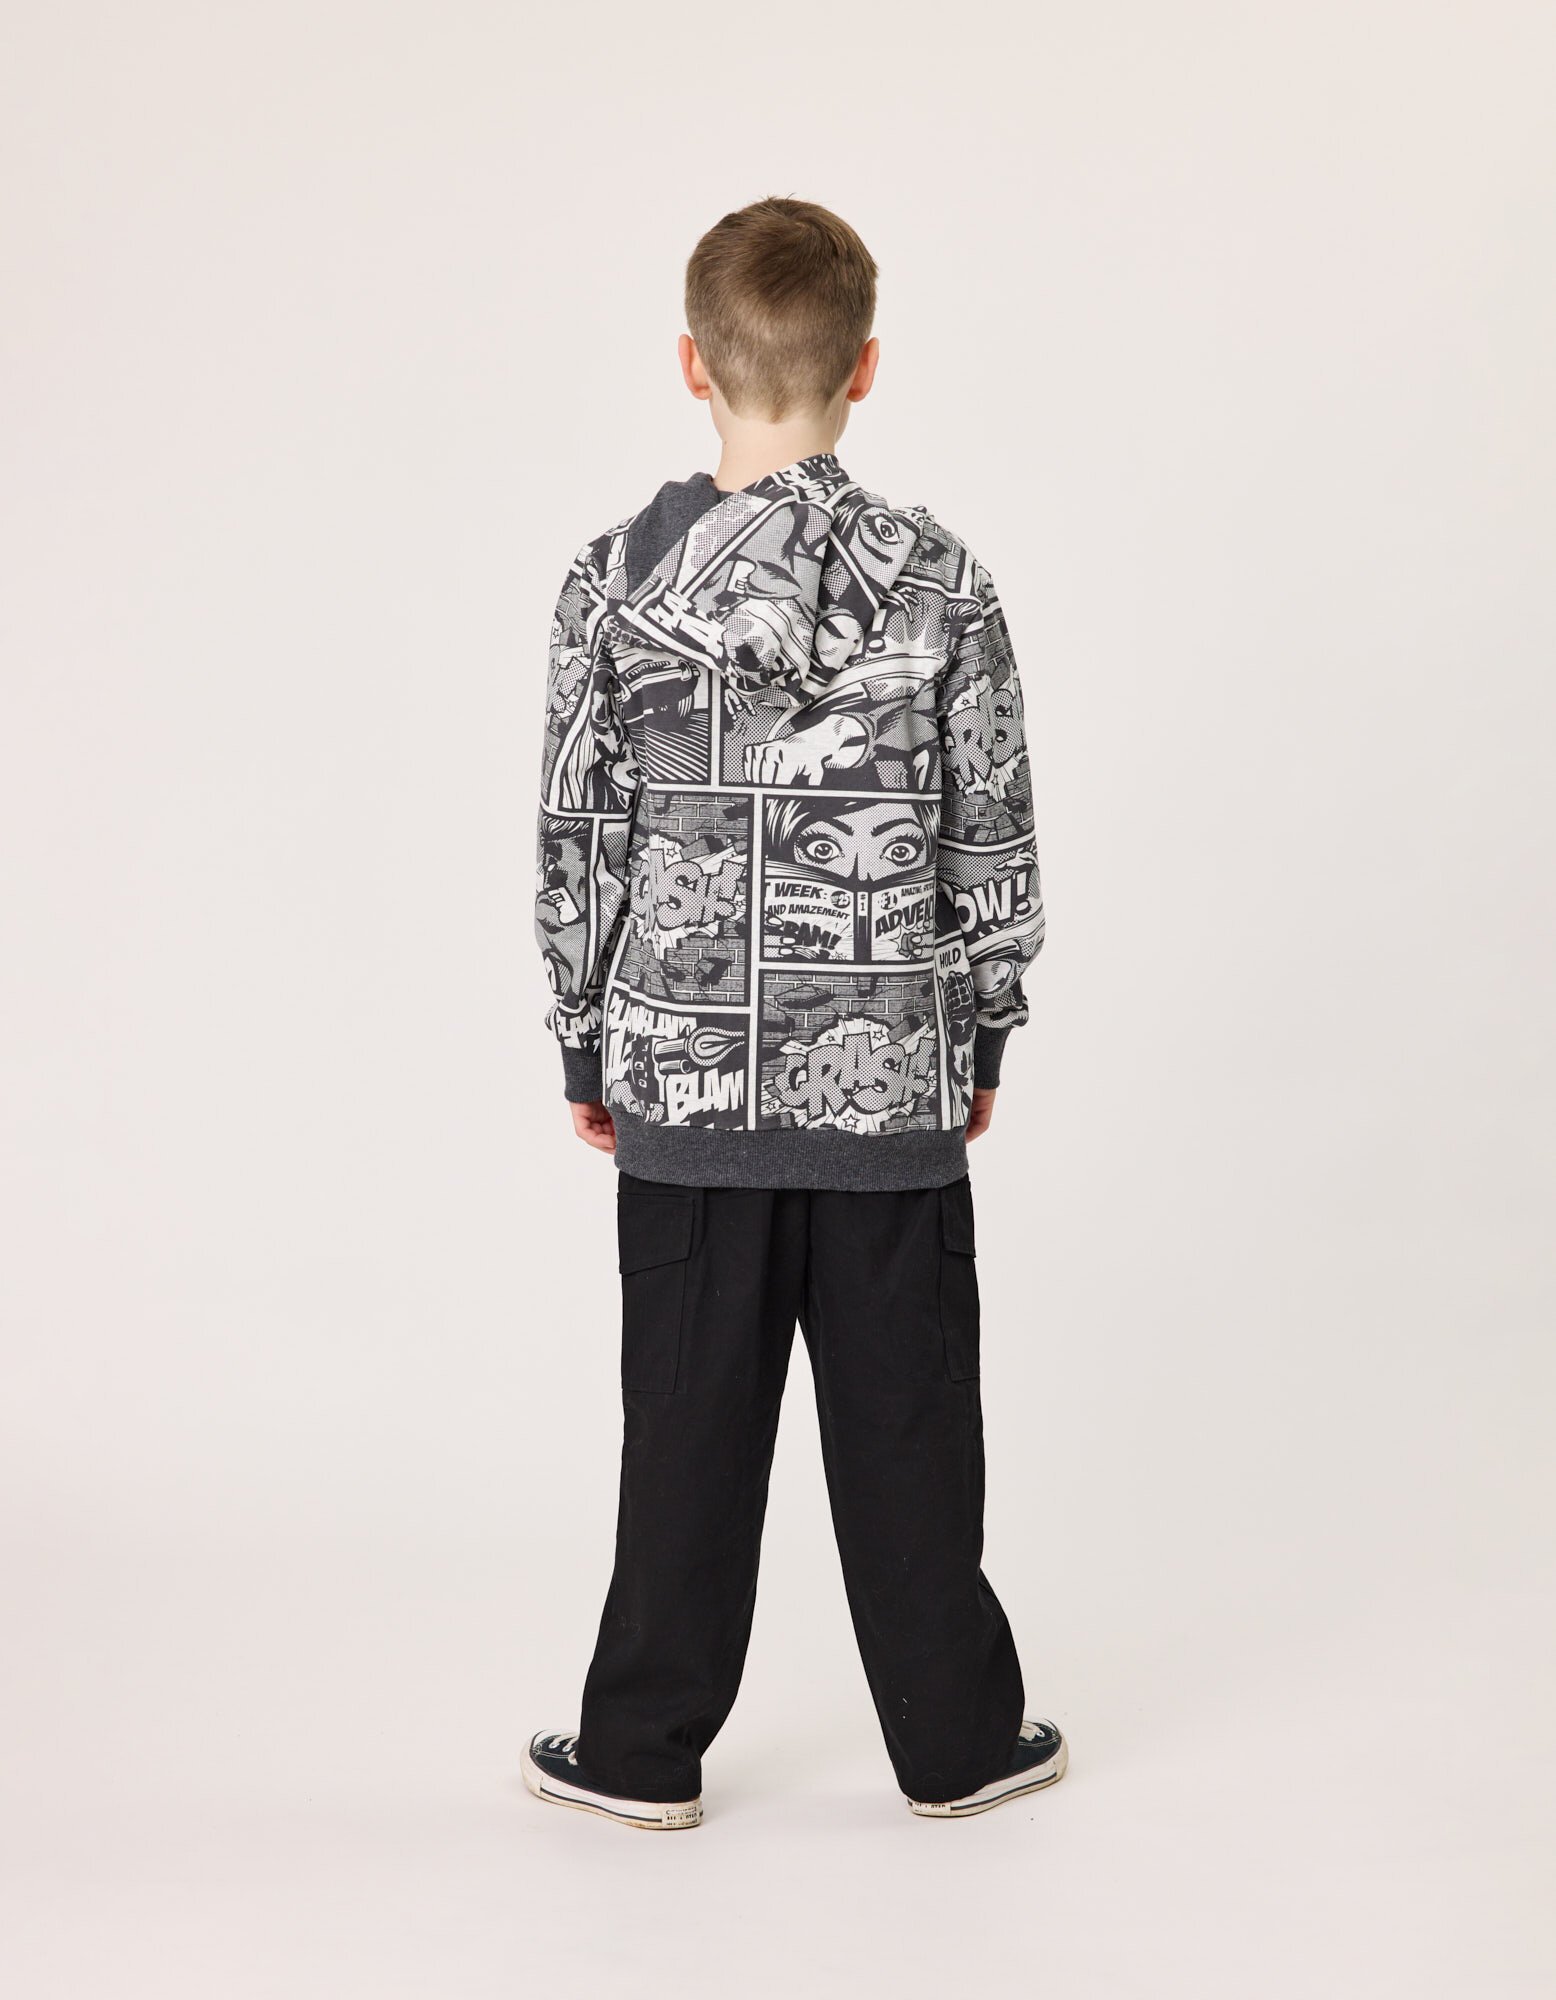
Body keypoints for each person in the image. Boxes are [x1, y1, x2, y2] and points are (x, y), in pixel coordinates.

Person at [524, 197, 1062, 1828]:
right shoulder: (944, 584)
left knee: (685, 1427)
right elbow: (990, 828)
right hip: (888, 1085)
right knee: (911, 1424)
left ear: (693, 364)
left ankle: (641, 1755)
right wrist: (981, 1026)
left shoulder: (614, 585)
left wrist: (584, 1033)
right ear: (865, 367)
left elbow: (580, 834)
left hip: (684, 1082)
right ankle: (956, 1745)